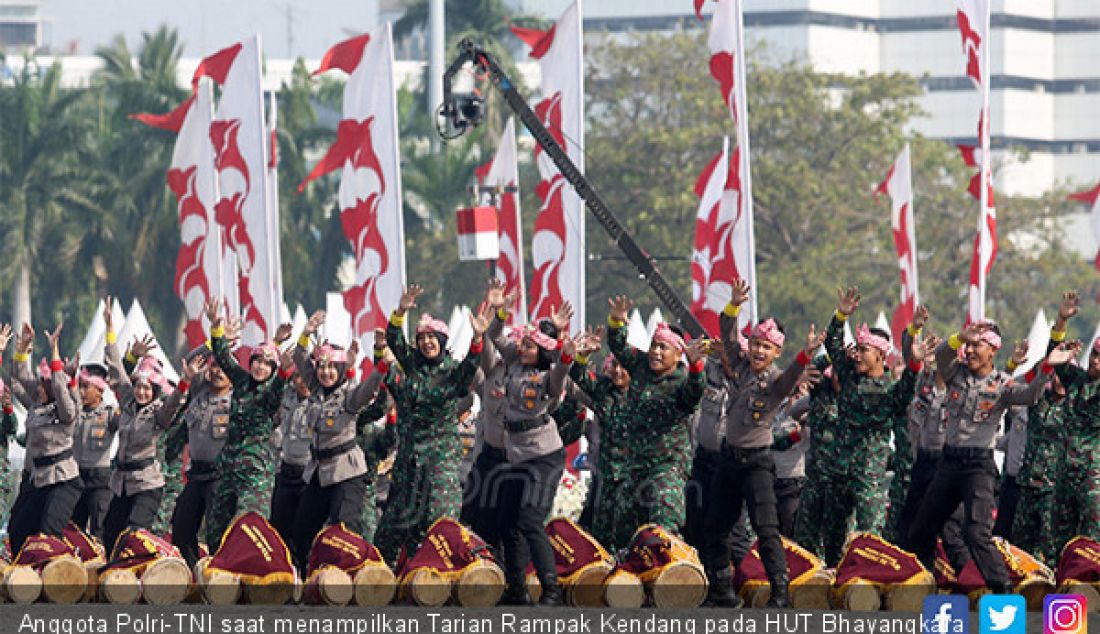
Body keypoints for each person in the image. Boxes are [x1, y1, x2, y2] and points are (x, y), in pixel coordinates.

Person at [905, 318, 1073, 593]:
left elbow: (1030, 396)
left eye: (976, 346)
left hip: (977, 467)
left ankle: (1003, 591)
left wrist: (1046, 368)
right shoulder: (955, 373)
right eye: (967, 346)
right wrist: (960, 336)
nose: (969, 351)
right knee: (920, 530)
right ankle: (926, 588)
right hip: (948, 464)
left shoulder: (1003, 385)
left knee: (976, 533)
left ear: (993, 350)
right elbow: (942, 354)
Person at [702, 281, 822, 609]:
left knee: (766, 530)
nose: (758, 351)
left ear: (776, 353)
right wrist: (733, 306)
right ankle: (721, 591)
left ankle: (780, 593)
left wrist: (805, 355)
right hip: (728, 460)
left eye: (766, 347)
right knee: (715, 528)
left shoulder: (776, 382)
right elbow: (726, 336)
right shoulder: (738, 368)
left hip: (757, 463)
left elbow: (790, 379)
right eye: (755, 343)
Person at [477, 280, 573, 606]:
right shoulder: (513, 361)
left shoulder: (548, 376)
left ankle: (552, 590)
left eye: (531, 346)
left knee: (530, 520)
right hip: (516, 455)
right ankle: (516, 589)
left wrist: (567, 354)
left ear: (543, 351)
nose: (523, 348)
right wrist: (501, 311)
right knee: (507, 521)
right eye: (523, 343)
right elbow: (494, 335)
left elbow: (560, 373)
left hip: (544, 456)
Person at [816, 287, 929, 563]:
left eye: (864, 350)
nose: (857, 355)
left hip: (870, 477)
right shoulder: (849, 377)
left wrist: (915, 362)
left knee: (870, 539)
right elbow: (832, 344)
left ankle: (870, 584)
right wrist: (840, 315)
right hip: (839, 471)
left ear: (880, 356)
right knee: (832, 537)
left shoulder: (890, 393)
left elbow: (908, 386)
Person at [374, 284, 483, 563]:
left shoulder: (452, 372)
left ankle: (450, 575)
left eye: (432, 338)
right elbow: (393, 339)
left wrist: (478, 338)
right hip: (409, 462)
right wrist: (400, 311)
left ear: (443, 342)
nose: (427, 343)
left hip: (439, 463)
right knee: (391, 531)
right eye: (422, 338)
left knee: (439, 525)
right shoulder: (412, 367)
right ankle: (390, 583)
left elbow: (471, 367)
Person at [594, 295, 707, 552]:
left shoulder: (682, 379)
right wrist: (617, 321)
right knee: (624, 527)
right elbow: (618, 346)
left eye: (663, 348)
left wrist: (696, 364)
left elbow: (694, 395)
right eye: (654, 346)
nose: (656, 352)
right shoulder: (640, 364)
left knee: (664, 520)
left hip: (667, 464)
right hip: (635, 463)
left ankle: (671, 575)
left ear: (678, 354)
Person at [289, 311, 388, 572]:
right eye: (322, 366)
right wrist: (307, 331)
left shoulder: (349, 396)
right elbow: (299, 359)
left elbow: (368, 389)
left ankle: (353, 580)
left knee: (345, 532)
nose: (326, 372)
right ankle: (307, 581)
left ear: (342, 369)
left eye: (332, 367)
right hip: (318, 473)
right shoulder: (315, 388)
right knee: (300, 531)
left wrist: (381, 364)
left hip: (346, 472)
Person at [101, 300, 194, 553]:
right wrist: (109, 329)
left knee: (134, 534)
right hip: (121, 481)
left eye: (147, 388)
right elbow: (115, 368)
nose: (141, 391)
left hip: (147, 484)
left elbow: (173, 405)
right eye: (139, 386)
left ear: (154, 390)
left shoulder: (159, 413)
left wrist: (184, 382)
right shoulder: (128, 400)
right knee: (109, 535)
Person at [201, 298, 295, 551]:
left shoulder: (271, 390)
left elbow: (277, 389)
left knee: (248, 527)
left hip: (256, 474)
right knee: (215, 532)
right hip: (229, 467)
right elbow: (222, 354)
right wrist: (215, 326)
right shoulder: (241, 380)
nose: (261, 367)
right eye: (257, 361)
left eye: (267, 364)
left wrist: (284, 373)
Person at [7, 322, 82, 555]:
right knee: (18, 530)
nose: (38, 388)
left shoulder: (67, 410)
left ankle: (56, 582)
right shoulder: (37, 406)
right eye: (39, 383)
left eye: (43, 384)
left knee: (49, 532)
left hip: (63, 481)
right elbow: (19, 376)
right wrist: (22, 349)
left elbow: (61, 391)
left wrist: (55, 351)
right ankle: (25, 579)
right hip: (39, 480)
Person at [170, 345, 234, 568]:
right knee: (181, 526)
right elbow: (189, 362)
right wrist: (213, 342)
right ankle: (193, 574)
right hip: (196, 475)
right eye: (214, 366)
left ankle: (222, 578)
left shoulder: (238, 399)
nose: (217, 372)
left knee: (217, 533)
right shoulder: (199, 391)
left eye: (223, 368)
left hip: (221, 475)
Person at [1047, 291, 1100, 559]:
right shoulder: (1076, 380)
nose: (1095, 360)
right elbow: (1053, 356)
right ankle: (1063, 590)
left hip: (1092, 476)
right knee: (1060, 540)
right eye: (1094, 354)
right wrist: (1061, 321)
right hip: (1064, 471)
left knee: (1092, 539)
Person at [69, 362, 116, 543]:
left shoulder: (109, 414)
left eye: (86, 387)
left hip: (100, 478)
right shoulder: (74, 412)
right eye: (79, 386)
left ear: (99, 389)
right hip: (76, 476)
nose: (81, 392)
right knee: (73, 529)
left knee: (99, 528)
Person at [268, 372, 311, 552]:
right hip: (285, 472)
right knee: (278, 531)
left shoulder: (321, 400)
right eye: (299, 376)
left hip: (308, 476)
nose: (304, 382)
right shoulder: (286, 396)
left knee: (303, 533)